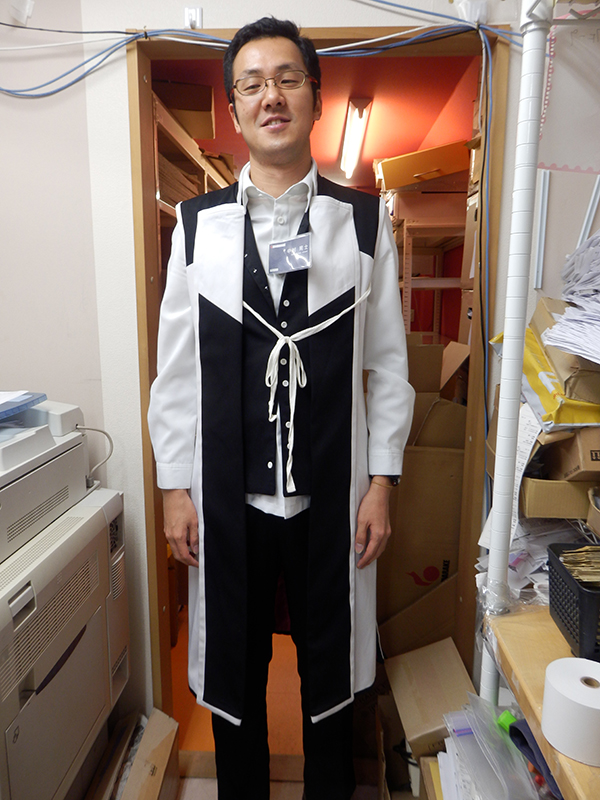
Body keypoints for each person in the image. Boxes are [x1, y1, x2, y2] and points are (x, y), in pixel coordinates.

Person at [148, 17, 415, 800]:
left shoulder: (362, 222)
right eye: (253, 84)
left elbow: (388, 365)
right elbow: (176, 372)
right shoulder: (198, 227)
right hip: (228, 501)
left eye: (288, 79)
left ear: (316, 97)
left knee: (330, 678)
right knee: (235, 680)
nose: (272, 96)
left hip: (332, 499)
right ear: (235, 109)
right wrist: (174, 487)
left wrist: (383, 483)